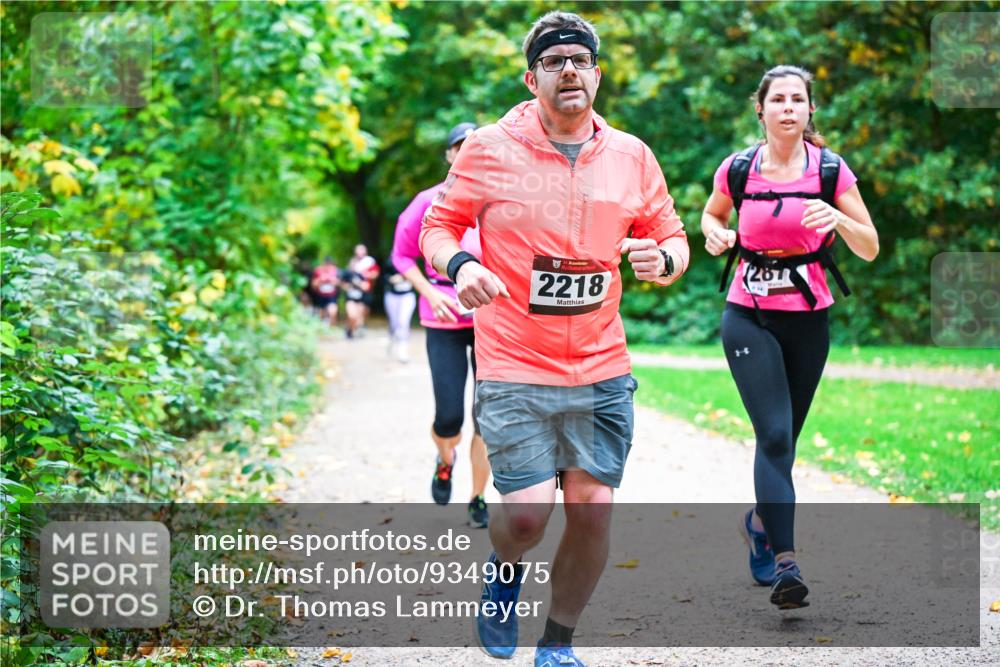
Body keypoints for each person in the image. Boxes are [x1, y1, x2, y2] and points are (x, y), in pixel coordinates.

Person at [420, 12, 688, 665]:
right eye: (553, 60)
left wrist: (665, 261)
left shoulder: (631, 155)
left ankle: (558, 641)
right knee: (525, 518)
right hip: (515, 360)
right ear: (531, 75)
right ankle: (505, 570)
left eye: (580, 59)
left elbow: (672, 236)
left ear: (597, 73)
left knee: (593, 511)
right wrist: (464, 265)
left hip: (601, 362)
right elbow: (439, 227)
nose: (569, 69)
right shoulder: (489, 148)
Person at [701, 65, 878, 610]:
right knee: (774, 437)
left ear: (809, 110)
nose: (787, 108)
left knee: (787, 440)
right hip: (747, 314)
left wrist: (839, 220)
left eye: (797, 99)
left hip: (808, 318)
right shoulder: (737, 169)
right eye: (777, 99)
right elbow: (710, 217)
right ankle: (787, 565)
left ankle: (758, 523)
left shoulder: (830, 170)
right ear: (761, 110)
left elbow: (870, 246)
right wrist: (715, 234)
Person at [391, 122, 491, 528]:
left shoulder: (502, 202)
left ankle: (478, 498)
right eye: (459, 147)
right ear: (450, 156)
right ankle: (444, 459)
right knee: (449, 416)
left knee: (486, 416)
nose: (467, 152)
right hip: (443, 317)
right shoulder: (427, 201)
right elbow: (401, 256)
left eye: (475, 146)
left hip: (491, 320)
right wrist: (429, 294)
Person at [382, 256, 417, 363]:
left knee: (403, 322)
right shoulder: (389, 261)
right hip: (392, 295)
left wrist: (406, 277)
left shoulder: (413, 259)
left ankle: (402, 350)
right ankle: (391, 337)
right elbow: (383, 278)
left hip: (407, 296)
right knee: (395, 323)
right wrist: (391, 279)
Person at [344, 244, 379, 339]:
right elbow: (343, 282)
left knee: (361, 314)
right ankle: (350, 329)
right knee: (352, 315)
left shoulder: (369, 262)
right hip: (351, 295)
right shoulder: (350, 270)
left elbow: (375, 274)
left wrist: (366, 278)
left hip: (363, 294)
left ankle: (356, 328)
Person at [309, 257, 342, 327]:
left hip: (332, 296)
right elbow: (313, 283)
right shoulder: (318, 270)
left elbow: (340, 283)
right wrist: (321, 280)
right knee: (321, 315)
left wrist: (332, 281)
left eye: (329, 264)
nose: (327, 266)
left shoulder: (336, 270)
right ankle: (323, 329)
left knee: (333, 312)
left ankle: (332, 327)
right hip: (321, 296)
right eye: (326, 264)